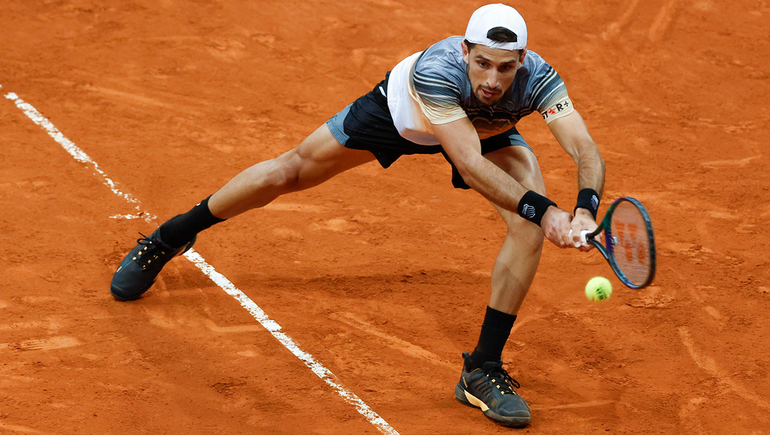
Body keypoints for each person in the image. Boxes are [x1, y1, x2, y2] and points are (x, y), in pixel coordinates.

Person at [110, 3, 604, 428]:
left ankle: (482, 369)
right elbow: (468, 163)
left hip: (483, 131)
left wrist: (583, 208)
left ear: (522, 59)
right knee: (288, 172)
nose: (492, 80)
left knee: (527, 225)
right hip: (404, 118)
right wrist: (547, 212)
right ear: (464, 52)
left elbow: (582, 145)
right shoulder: (437, 70)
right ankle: (171, 235)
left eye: (505, 68)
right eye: (482, 64)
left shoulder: (538, 77)